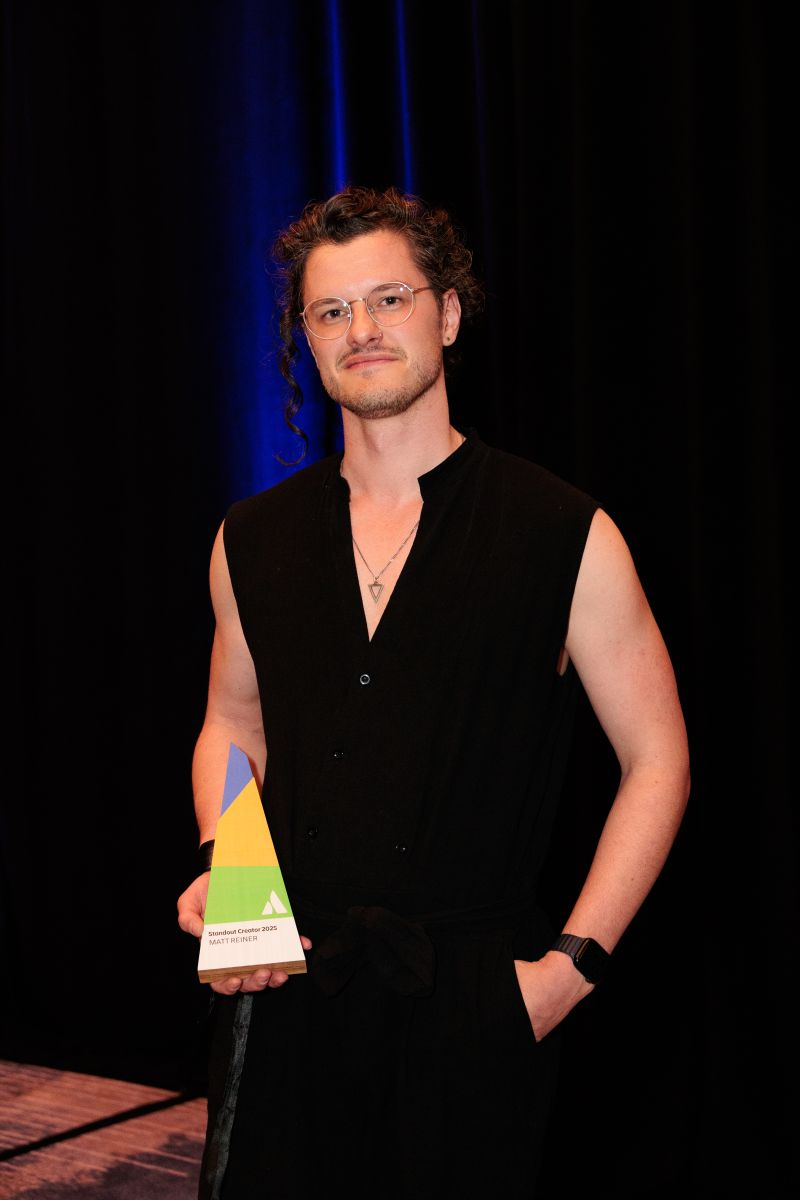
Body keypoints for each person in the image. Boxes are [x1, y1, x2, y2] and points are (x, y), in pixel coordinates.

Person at [177, 185, 690, 1199]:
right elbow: (232, 723)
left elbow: (656, 757)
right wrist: (232, 876)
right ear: (307, 340)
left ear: (447, 314)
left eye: (389, 300)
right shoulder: (252, 537)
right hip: (292, 987)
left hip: (476, 998)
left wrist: (567, 970)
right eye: (331, 311)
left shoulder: (561, 531)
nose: (360, 331)